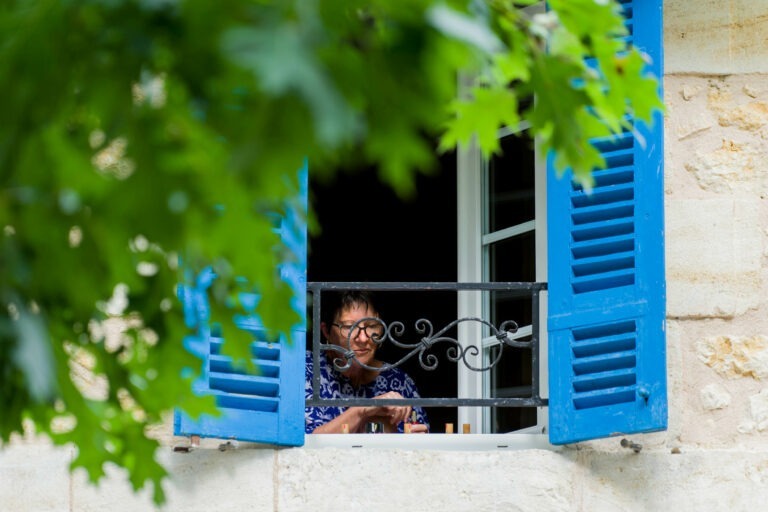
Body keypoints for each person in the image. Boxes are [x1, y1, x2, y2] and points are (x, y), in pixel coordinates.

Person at [305, 290, 428, 434]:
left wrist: (417, 440)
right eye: (349, 327)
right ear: (326, 332)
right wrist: (362, 409)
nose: (363, 338)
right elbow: (303, 442)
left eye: (371, 326)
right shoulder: (306, 370)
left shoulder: (398, 382)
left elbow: (421, 444)